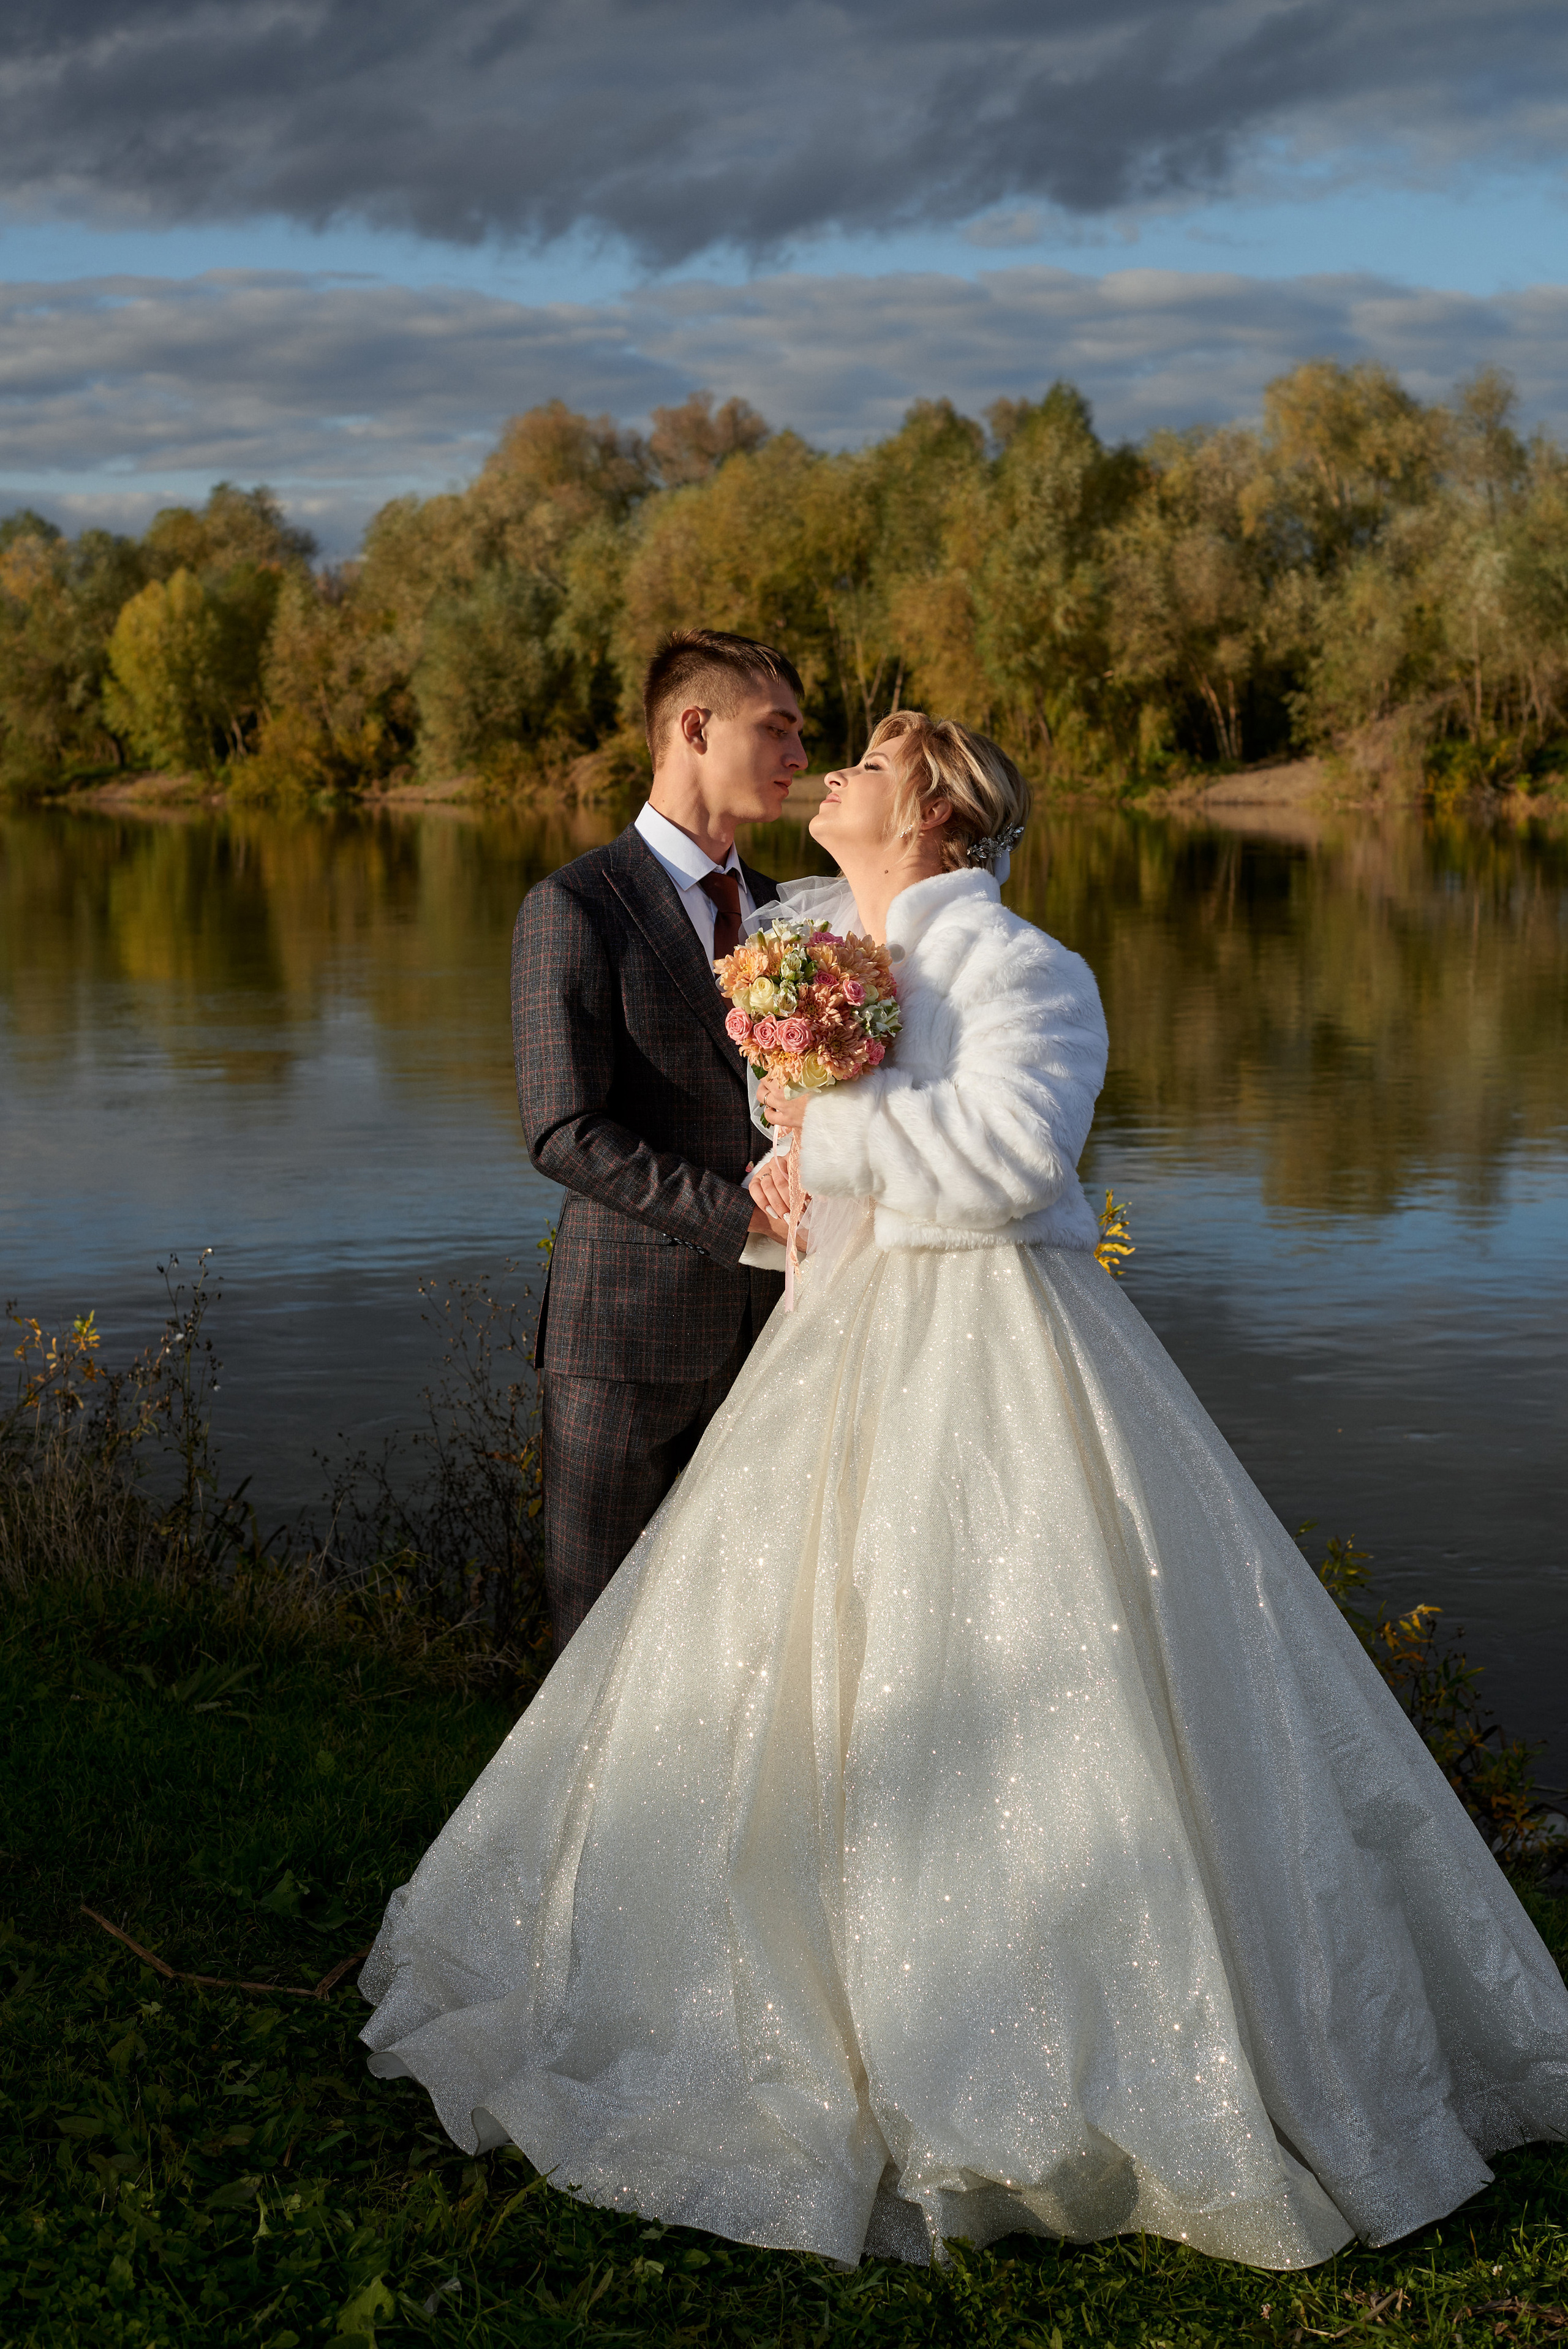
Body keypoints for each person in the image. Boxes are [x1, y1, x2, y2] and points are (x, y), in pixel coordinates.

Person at [362, 712, 1568, 2272]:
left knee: (1027, 1666)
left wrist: (837, 1129)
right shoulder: (810, 948)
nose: (832, 780)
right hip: (837, 1346)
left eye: (865, 762)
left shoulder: (1023, 967)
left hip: (994, 1357)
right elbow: (812, 1169)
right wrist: (785, 1177)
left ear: (933, 814)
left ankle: (1071, 2045)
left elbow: (1011, 1158)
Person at [511, 629, 802, 1651]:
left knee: (743, 1641)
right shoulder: (577, 906)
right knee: (600, 1646)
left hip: (781, 1338)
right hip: (625, 1343)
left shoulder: (787, 915)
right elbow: (563, 1129)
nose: (799, 757)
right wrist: (743, 1217)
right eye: (778, 729)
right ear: (694, 727)